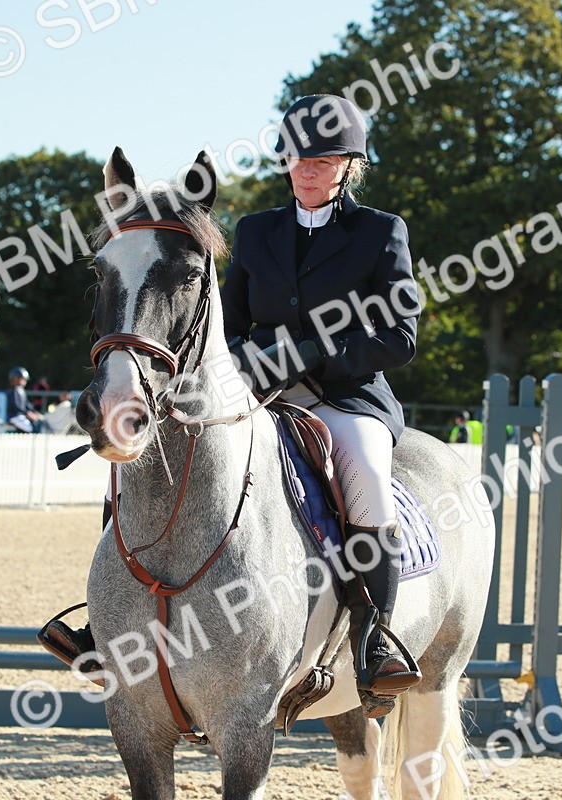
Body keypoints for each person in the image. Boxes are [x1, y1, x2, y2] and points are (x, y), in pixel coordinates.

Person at [220, 94, 422, 715]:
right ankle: (113, 620)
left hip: (347, 396)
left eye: (323, 159)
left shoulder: (380, 232)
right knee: (160, 450)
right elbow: (229, 326)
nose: (307, 169)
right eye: (297, 158)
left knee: (363, 473)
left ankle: (376, 639)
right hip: (259, 394)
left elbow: (400, 336)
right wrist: (251, 365)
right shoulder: (255, 231)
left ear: (348, 166)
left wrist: (312, 353)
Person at [6, 366, 43, 432]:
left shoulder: (22, 390)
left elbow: (27, 405)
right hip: (15, 417)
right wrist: (27, 413)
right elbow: (17, 406)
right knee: (30, 428)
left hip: (22, 416)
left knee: (38, 423)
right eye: (23, 379)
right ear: (16, 378)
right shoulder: (13, 391)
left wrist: (35, 412)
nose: (25, 381)